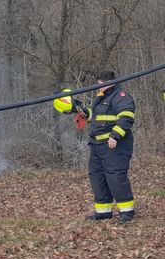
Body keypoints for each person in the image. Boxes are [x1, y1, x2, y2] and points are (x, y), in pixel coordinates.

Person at [55, 71, 136, 222]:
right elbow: (97, 116)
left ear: (110, 82)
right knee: (97, 177)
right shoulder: (101, 97)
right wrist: (85, 112)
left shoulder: (121, 96)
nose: (99, 88)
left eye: (101, 85)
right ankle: (103, 212)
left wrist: (115, 136)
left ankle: (126, 212)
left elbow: (127, 117)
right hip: (97, 145)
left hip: (114, 146)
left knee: (116, 177)